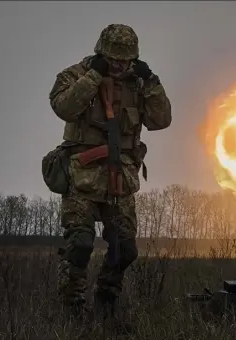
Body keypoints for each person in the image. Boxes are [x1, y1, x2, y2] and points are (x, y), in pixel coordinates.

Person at [48, 24, 172, 314]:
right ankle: (71, 309)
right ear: (101, 53)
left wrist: (151, 82)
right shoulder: (76, 75)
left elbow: (162, 119)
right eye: (114, 60)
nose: (119, 65)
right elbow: (64, 107)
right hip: (82, 178)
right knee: (79, 245)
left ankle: (106, 301)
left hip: (121, 179)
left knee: (125, 249)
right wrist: (94, 76)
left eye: (125, 60)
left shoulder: (140, 84)